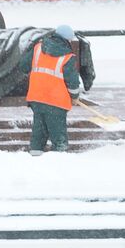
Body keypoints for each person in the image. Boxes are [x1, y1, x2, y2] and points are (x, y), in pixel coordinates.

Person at [18, 24, 81, 154]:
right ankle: (60, 161)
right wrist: (74, 96)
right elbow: (73, 82)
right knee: (58, 137)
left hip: (37, 98)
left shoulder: (37, 49)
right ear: (67, 40)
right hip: (56, 101)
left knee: (39, 133)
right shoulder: (67, 57)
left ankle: (35, 157)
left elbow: (23, 66)